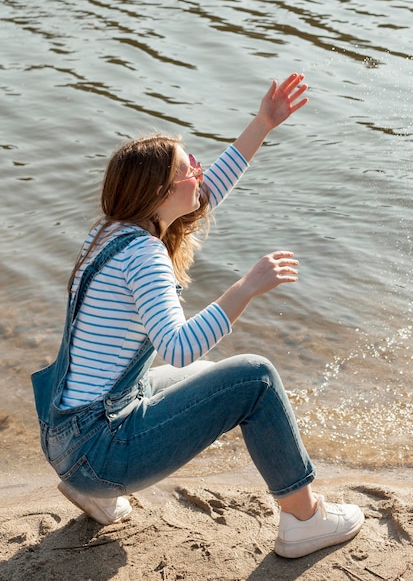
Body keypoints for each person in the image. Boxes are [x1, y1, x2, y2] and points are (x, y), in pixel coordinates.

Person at [32, 73, 364, 559]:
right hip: (99, 451)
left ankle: (93, 493)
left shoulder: (108, 233)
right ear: (162, 193)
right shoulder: (145, 255)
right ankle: (303, 518)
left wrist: (263, 123)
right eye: (189, 169)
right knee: (255, 379)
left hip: (65, 437)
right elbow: (177, 345)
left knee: (206, 375)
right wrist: (245, 288)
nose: (199, 173)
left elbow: (208, 192)